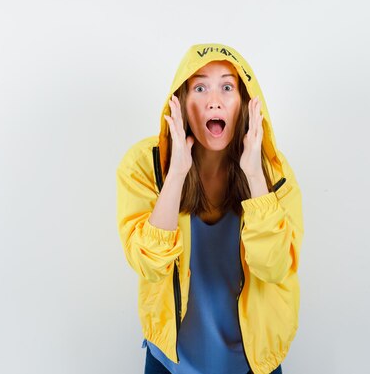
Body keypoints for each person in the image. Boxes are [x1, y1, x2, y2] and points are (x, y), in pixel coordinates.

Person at [116, 43, 304, 374]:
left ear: (245, 102)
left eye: (227, 87)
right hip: (170, 362)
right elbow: (148, 263)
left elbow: (274, 268)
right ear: (181, 104)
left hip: (253, 361)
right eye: (200, 87)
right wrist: (176, 174)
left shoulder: (274, 174)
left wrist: (254, 176)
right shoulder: (145, 166)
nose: (214, 100)